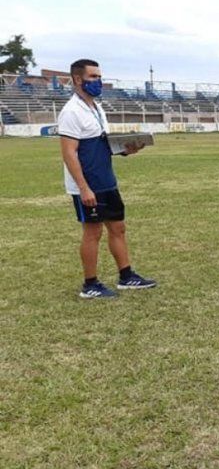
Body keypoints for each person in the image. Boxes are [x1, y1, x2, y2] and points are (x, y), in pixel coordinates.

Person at [58, 58, 156, 298]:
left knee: (118, 227)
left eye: (100, 77)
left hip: (106, 180)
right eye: (93, 77)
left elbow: (102, 145)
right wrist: (84, 188)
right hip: (88, 184)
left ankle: (126, 276)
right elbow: (69, 153)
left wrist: (126, 149)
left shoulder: (96, 108)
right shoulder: (71, 111)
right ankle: (90, 285)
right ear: (78, 79)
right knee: (93, 232)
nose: (98, 81)